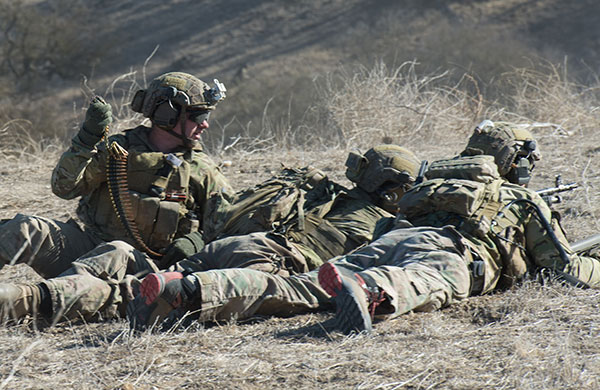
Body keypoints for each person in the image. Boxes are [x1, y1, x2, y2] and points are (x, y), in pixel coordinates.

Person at [127, 121, 600, 333]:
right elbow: (564, 270)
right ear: (513, 163)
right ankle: (369, 292)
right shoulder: (520, 197)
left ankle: (187, 291)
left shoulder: (426, 187)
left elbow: (384, 231)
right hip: (452, 254)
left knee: (300, 287)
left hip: (394, 239)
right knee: (417, 281)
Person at [0, 144, 421, 323]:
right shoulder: (386, 225)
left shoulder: (318, 190)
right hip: (261, 259)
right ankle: (27, 303)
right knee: (130, 295)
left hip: (220, 247)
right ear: (395, 189)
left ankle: (48, 296)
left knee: (117, 252)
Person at [0, 72, 233, 322]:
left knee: (118, 249)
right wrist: (85, 141)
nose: (205, 124)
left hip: (143, 273)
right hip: (89, 249)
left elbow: (230, 224)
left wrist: (196, 241)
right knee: (24, 228)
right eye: (199, 116)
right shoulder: (117, 150)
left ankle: (41, 298)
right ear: (168, 113)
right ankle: (65, 291)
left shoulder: (200, 168)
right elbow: (64, 188)